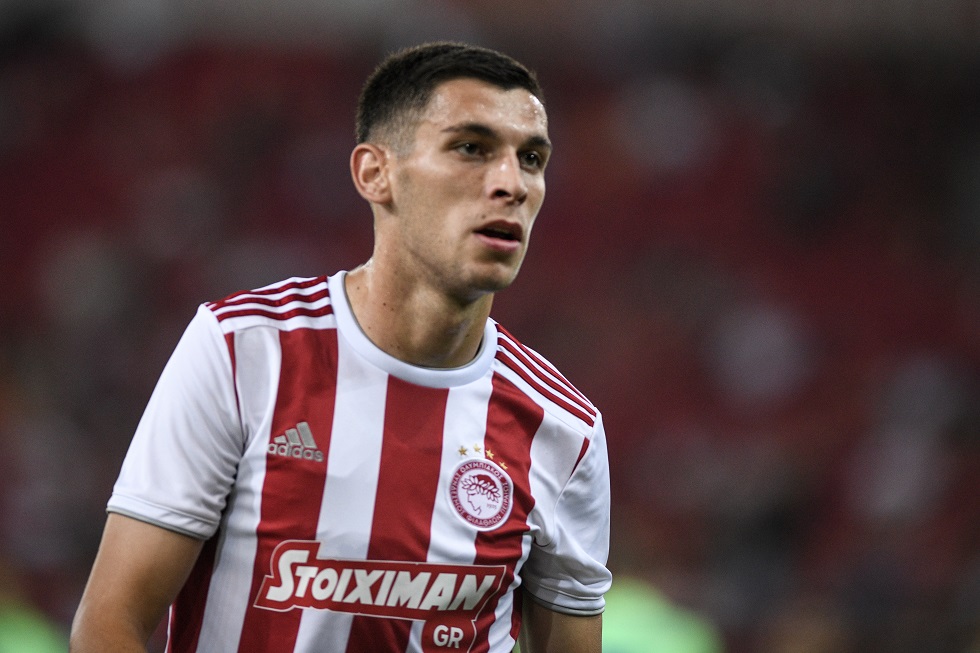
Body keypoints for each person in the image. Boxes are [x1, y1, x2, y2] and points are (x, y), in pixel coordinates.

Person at [70, 41, 611, 653]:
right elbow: (108, 624)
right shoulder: (244, 351)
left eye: (531, 158)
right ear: (375, 174)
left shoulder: (564, 430)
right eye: (470, 148)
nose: (512, 183)